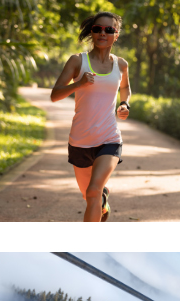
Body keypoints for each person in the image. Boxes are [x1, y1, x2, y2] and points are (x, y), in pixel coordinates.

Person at [50, 11, 132, 223]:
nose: (102, 33)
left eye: (108, 29)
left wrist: (124, 104)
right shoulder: (78, 61)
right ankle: (102, 202)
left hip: (109, 139)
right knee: (90, 197)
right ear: (92, 33)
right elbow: (54, 95)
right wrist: (78, 84)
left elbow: (125, 89)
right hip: (80, 141)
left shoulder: (121, 65)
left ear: (116, 34)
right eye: (97, 29)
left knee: (93, 191)